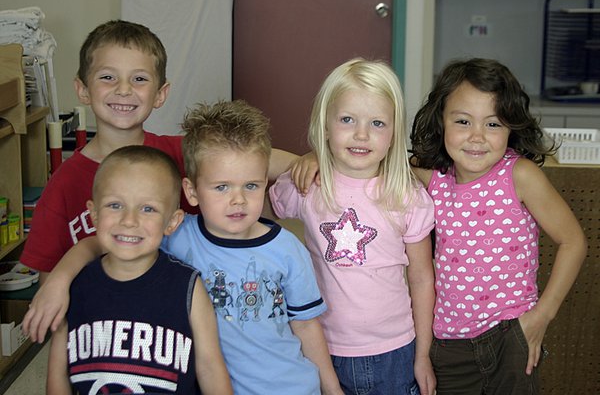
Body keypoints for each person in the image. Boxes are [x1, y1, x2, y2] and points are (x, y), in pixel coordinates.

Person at [27, 100, 343, 395]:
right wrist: (59, 278)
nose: (238, 199)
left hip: (288, 386)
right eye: (221, 187)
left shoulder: (287, 249)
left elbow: (306, 326)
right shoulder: (176, 234)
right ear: (190, 191)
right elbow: (102, 242)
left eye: (251, 185)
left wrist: (333, 389)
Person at [20, 20, 299, 284]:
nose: (124, 89)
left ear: (160, 94)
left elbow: (257, 159)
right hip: (101, 323)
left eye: (139, 79)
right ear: (82, 89)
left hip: (180, 316)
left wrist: (307, 163)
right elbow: (49, 275)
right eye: (108, 77)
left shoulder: (180, 152)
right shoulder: (64, 182)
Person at [409, 58, 587, 394]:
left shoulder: (519, 176)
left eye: (493, 125)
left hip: (510, 336)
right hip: (448, 346)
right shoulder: (434, 180)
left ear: (511, 128)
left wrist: (541, 318)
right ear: (440, 122)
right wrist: (317, 159)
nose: (477, 137)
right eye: (463, 121)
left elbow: (573, 242)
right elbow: (375, 164)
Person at [269, 58, 437, 395]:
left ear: (393, 133)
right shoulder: (307, 186)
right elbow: (251, 178)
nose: (362, 134)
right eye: (347, 120)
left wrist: (423, 355)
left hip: (396, 350)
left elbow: (421, 278)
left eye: (377, 123)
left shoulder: (407, 195)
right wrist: (307, 158)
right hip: (323, 348)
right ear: (325, 126)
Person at [46, 145, 232, 395]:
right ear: (93, 214)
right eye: (114, 205)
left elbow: (209, 367)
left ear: (172, 222)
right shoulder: (76, 287)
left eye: (148, 209)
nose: (129, 220)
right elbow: (58, 373)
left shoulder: (187, 286)